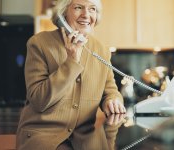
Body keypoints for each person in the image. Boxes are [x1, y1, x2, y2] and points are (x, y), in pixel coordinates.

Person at [16, 0, 126, 149]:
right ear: (63, 13)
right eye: (78, 7)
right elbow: (39, 100)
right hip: (43, 137)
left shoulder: (101, 50)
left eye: (92, 9)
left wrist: (113, 100)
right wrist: (71, 61)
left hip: (86, 139)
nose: (86, 15)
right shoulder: (39, 44)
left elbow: (110, 90)